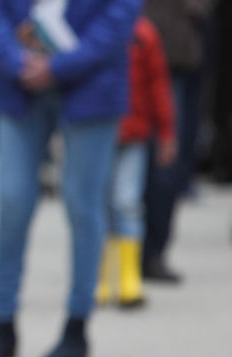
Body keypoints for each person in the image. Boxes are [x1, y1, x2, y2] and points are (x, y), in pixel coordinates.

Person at [0, 0, 142, 357]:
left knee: (84, 205)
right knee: (12, 201)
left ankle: (77, 325)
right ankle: (2, 322)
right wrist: (18, 61)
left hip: (94, 81)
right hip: (18, 83)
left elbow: (121, 13)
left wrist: (62, 66)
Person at [96, 16, 176, 309]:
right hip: (96, 132)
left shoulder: (143, 34)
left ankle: (129, 278)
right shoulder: (90, 28)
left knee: (126, 201)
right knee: (98, 203)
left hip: (134, 135)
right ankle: (101, 276)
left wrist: (166, 131)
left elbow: (158, 85)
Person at [141, 0, 215, 283]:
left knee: (166, 160)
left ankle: (153, 251)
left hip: (177, 49)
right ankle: (121, 255)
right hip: (133, 48)